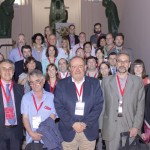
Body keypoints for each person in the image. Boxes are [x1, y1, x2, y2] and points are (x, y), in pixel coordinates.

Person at [54, 56, 103, 150]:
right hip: (68, 130)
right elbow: (59, 107)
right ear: (69, 69)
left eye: (80, 66)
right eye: (74, 67)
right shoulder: (61, 84)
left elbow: (98, 105)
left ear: (85, 68)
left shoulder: (95, 83)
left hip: (88, 130)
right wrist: (73, 123)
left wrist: (85, 123)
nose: (77, 69)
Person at [101, 52, 145, 150]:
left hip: (131, 127)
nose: (122, 63)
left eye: (125, 61)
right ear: (116, 63)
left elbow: (140, 106)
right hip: (111, 128)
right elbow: (102, 105)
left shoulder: (138, 82)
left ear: (129, 64)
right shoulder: (106, 81)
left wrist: (136, 126)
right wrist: (100, 128)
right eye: (120, 61)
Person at [21, 69, 57, 145]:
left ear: (43, 81)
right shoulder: (26, 97)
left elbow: (53, 116)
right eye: (31, 82)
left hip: (48, 137)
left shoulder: (51, 97)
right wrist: (31, 133)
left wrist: (41, 131)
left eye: (37, 81)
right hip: (31, 138)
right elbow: (25, 118)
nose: (34, 85)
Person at [0, 59, 24, 150]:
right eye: (4, 69)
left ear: (13, 72)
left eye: (10, 68)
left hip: (16, 132)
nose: (7, 71)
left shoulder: (20, 89)